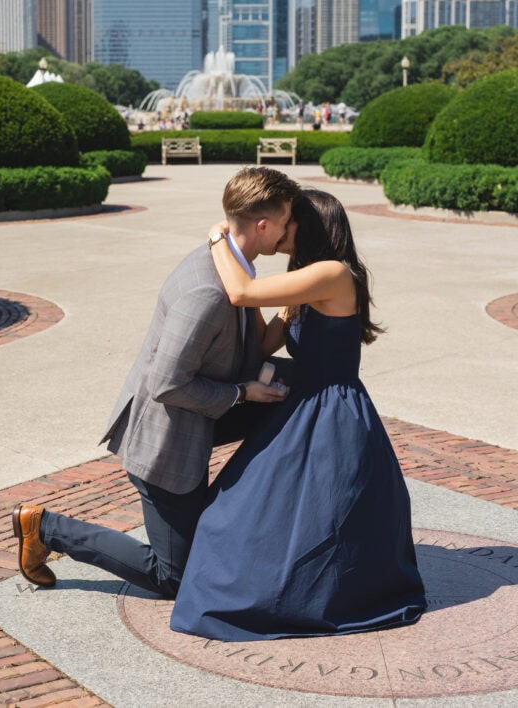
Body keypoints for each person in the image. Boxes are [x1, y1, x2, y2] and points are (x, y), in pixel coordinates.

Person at [12, 167, 299, 598]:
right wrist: (244, 393)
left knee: (298, 397)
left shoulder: (232, 264)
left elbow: (243, 349)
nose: (287, 231)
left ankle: (235, 514)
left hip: (195, 418)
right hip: (166, 442)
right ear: (263, 226)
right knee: (174, 578)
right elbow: (167, 383)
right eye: (284, 222)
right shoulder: (209, 290)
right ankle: (46, 527)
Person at [170, 189, 426, 640]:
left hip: (332, 413)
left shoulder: (331, 274)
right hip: (303, 402)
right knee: (246, 511)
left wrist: (219, 238)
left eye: (289, 220)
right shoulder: (307, 277)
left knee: (317, 520)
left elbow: (241, 291)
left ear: (308, 225)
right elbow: (267, 344)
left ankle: (300, 596)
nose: (281, 227)